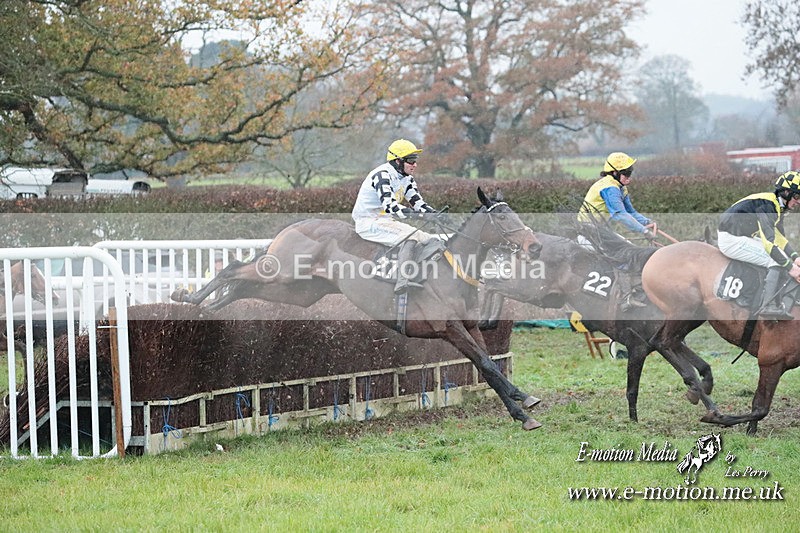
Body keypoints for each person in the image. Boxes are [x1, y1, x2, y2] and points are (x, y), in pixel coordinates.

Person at [352, 139, 440, 294]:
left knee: (429, 239)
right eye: (411, 161)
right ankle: (402, 281)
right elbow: (391, 207)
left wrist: (435, 214)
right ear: (398, 161)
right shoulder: (382, 175)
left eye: (415, 160)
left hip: (385, 221)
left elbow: (418, 203)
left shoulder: (407, 178)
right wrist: (421, 216)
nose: (415, 165)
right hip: (368, 222)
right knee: (410, 237)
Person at [577, 152, 658, 310]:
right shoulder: (610, 188)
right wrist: (643, 231)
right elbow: (619, 215)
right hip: (588, 233)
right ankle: (625, 298)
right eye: (626, 173)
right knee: (623, 255)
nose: (629, 177)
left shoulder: (620, 187)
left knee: (629, 249)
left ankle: (635, 291)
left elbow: (631, 212)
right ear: (614, 173)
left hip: (600, 231)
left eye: (631, 172)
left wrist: (647, 222)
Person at [717, 170, 800, 320]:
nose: (798, 201)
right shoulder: (768, 206)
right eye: (797, 196)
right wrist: (791, 268)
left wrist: (794, 257)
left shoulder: (776, 205)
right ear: (786, 192)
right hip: (730, 239)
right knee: (775, 259)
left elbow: (779, 237)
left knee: (784, 257)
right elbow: (769, 244)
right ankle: (767, 306)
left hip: (739, 236)